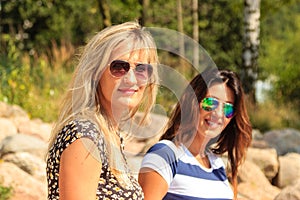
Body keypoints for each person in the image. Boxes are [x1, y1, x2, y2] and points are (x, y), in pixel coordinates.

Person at [46, 21, 159, 199]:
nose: (131, 79)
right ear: (95, 72)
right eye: (119, 67)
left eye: (141, 69)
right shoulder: (85, 137)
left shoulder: (108, 134)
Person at [138, 68, 252, 200]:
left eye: (227, 108)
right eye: (210, 103)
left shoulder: (217, 164)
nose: (219, 114)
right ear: (192, 102)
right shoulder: (165, 155)